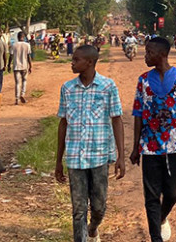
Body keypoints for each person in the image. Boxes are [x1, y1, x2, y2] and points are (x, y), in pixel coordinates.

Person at [55, 45, 126, 242]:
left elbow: (117, 120)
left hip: (99, 156)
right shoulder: (67, 88)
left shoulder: (108, 86)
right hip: (75, 157)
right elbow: (63, 123)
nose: (72, 62)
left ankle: (93, 228)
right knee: (78, 209)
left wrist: (121, 156)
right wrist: (58, 161)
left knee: (99, 206)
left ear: (90, 62)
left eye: (76, 60)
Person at [130, 37, 176, 242]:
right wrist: (135, 147)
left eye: (149, 52)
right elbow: (138, 114)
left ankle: (161, 218)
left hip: (173, 145)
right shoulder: (143, 80)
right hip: (149, 147)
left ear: (162, 55)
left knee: (172, 193)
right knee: (151, 196)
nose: (145, 56)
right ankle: (155, 238)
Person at [11, 31, 33, 104]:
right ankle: (22, 94)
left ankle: (17, 99)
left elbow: (11, 56)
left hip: (16, 66)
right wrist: (30, 66)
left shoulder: (14, 45)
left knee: (17, 83)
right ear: (24, 37)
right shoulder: (27, 45)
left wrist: (8, 65)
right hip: (24, 66)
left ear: (17, 37)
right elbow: (28, 56)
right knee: (24, 81)